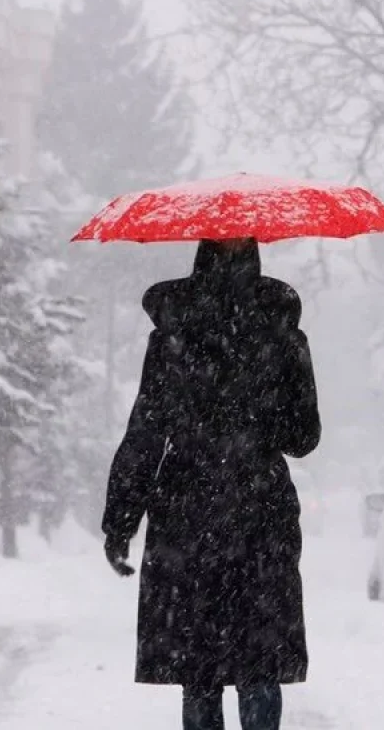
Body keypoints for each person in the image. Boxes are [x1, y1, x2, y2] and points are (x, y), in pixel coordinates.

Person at [102, 238, 321, 730]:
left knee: (197, 666)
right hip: (259, 510)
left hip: (186, 510)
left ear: (200, 257)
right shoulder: (282, 335)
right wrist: (260, 414)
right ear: (255, 258)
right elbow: (305, 438)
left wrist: (120, 524)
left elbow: (146, 434)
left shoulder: (172, 335)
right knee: (259, 661)